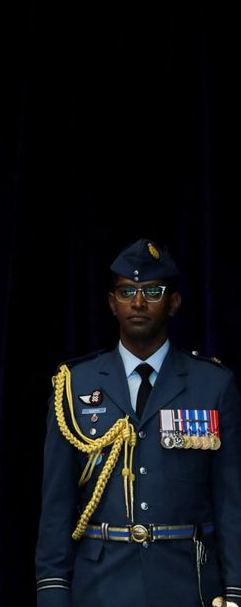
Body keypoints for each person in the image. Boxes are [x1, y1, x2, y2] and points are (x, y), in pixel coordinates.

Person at [35, 238, 241, 607]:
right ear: (112, 303)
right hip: (100, 586)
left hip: (187, 586)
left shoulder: (213, 384)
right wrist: (52, 590)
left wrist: (236, 589)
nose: (139, 302)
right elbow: (56, 504)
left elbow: (231, 501)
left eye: (153, 291)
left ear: (174, 303)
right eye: (127, 291)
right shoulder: (74, 384)